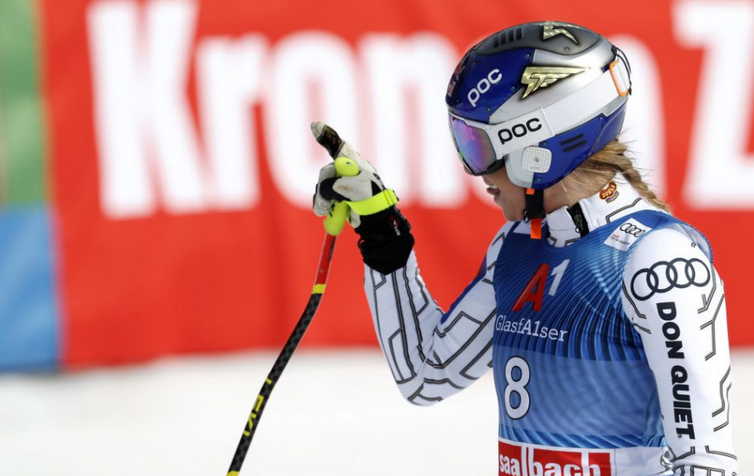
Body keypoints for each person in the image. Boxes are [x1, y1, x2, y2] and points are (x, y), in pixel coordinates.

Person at [312, 21, 737, 476]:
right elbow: (426, 376)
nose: (479, 176)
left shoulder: (658, 260)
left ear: (537, 146)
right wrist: (382, 232)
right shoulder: (516, 245)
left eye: (477, 147)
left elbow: (707, 464)